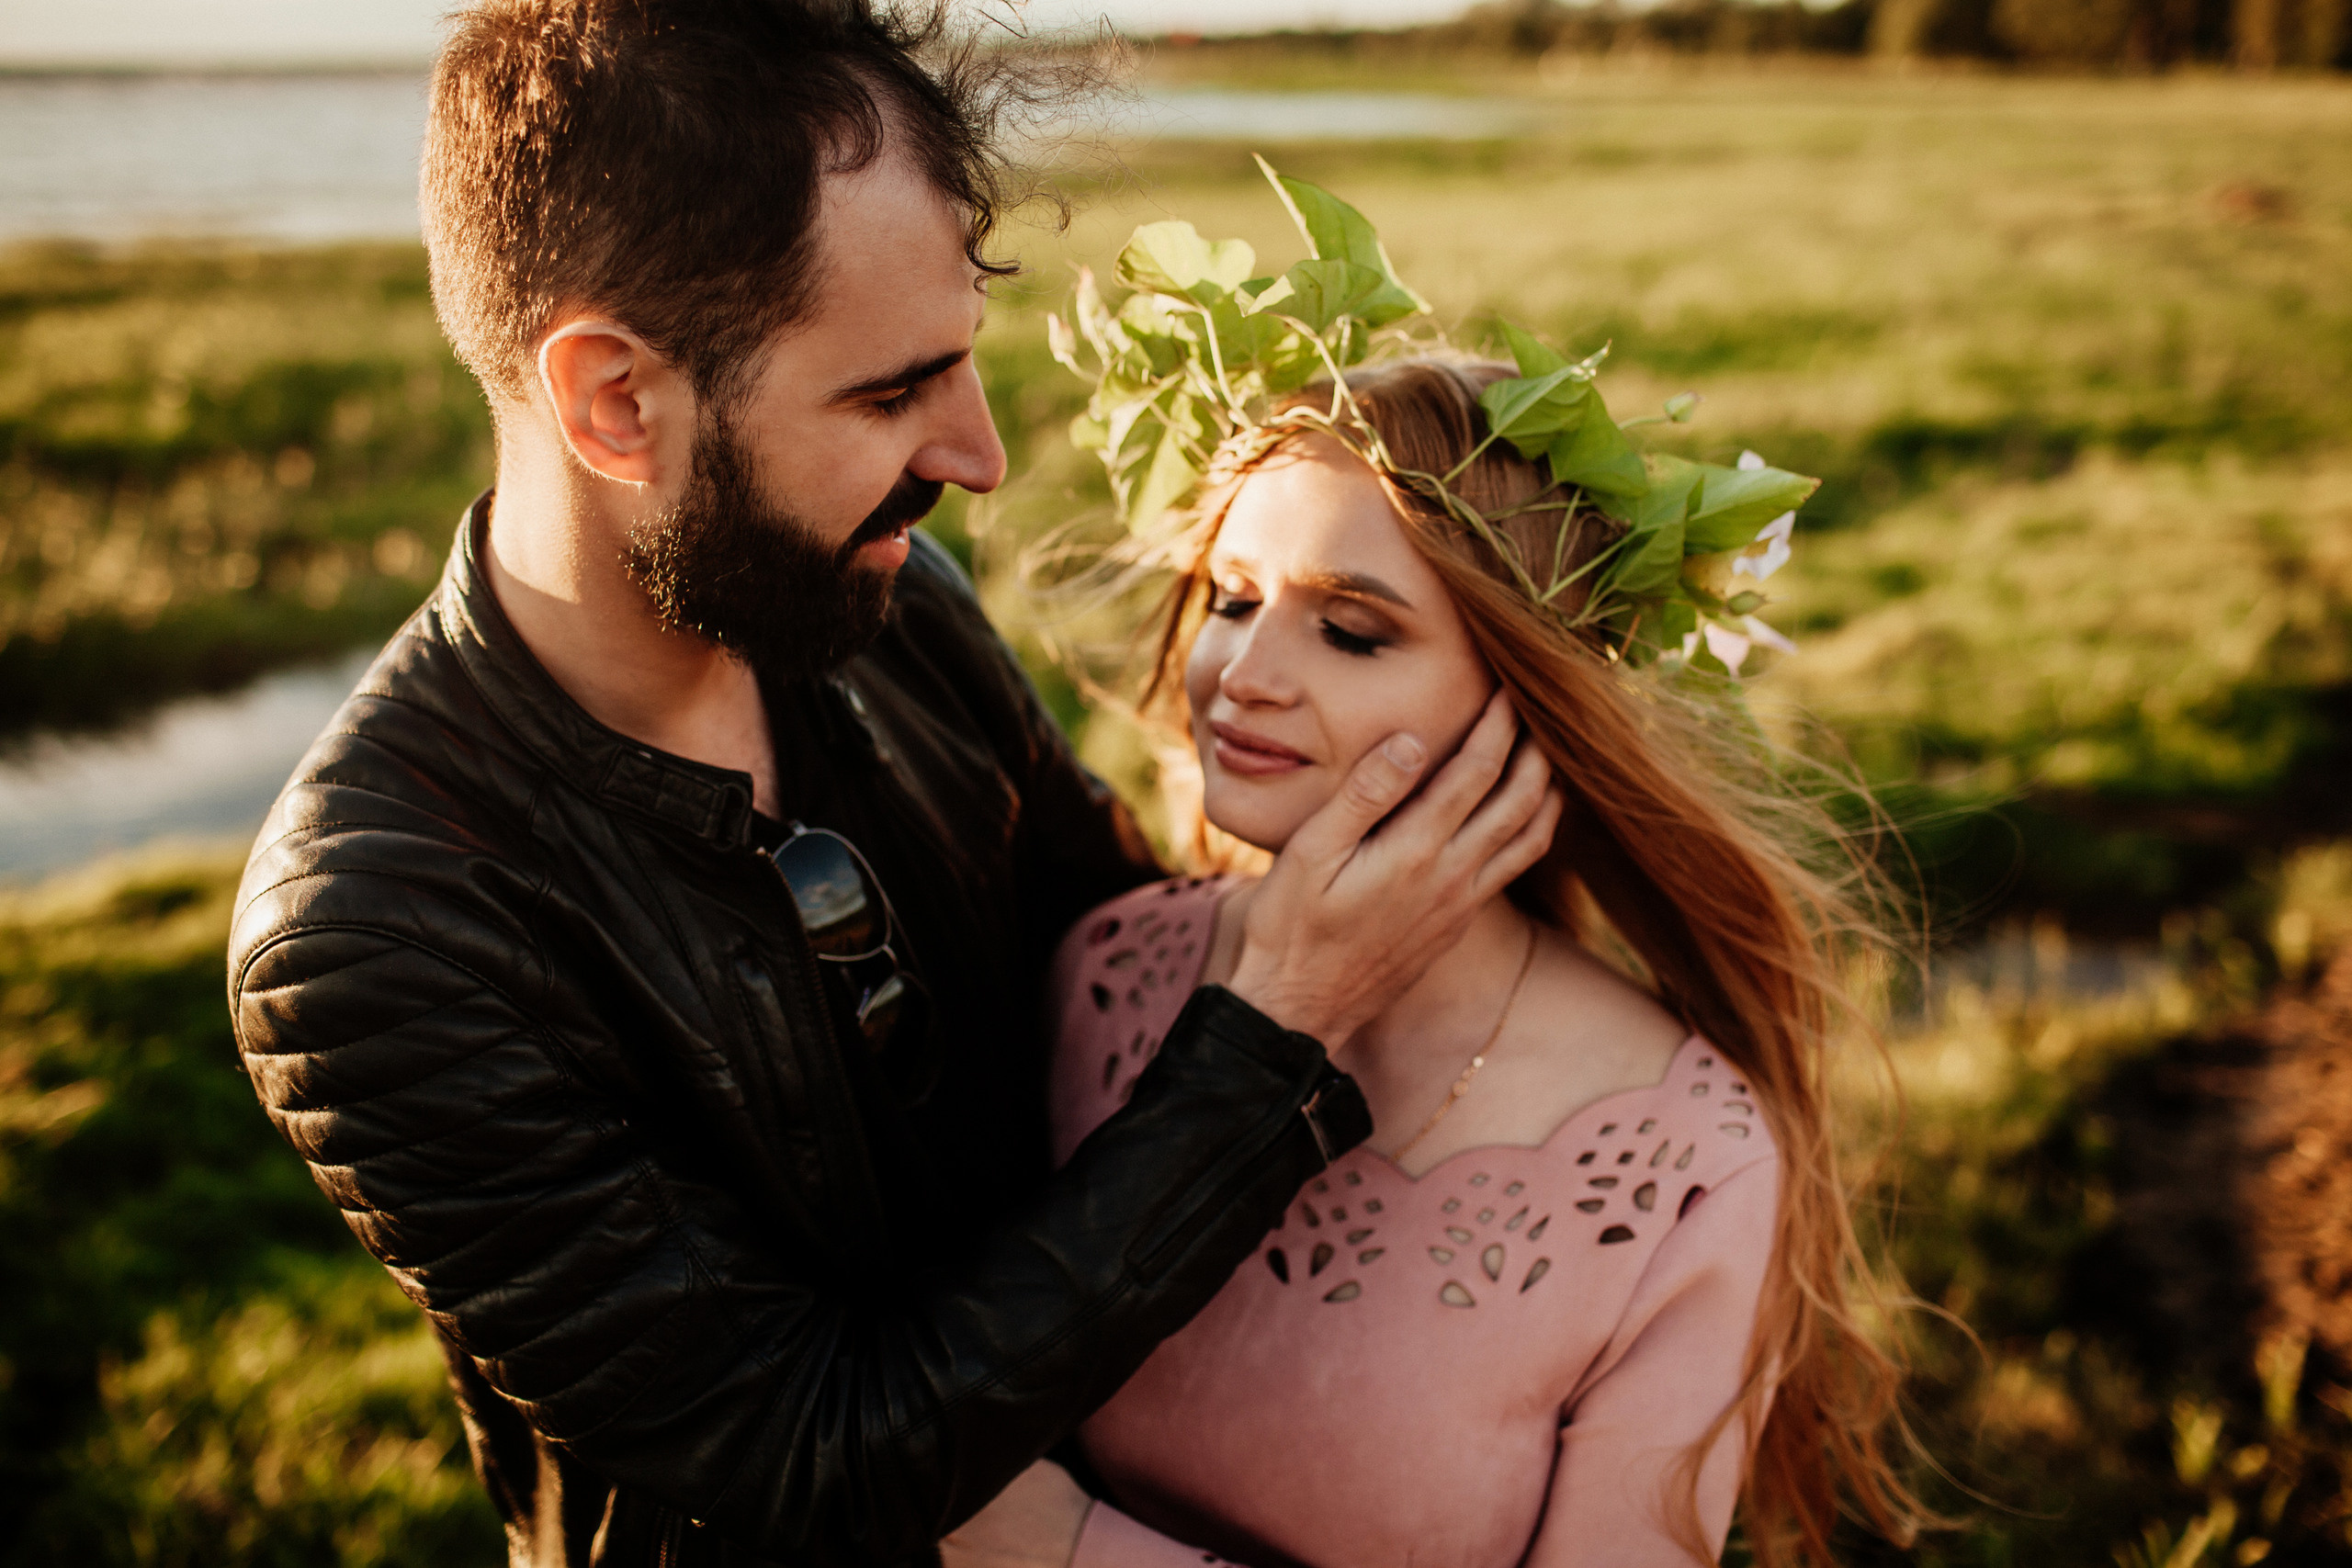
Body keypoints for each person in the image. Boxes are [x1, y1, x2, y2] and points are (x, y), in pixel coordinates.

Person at [223, 6, 1562, 1566]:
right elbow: (812, 1461)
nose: (981, 458)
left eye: (965, 366)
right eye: (888, 394)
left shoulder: (892, 610)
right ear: (614, 404)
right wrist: (1276, 1039)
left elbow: (1113, 945)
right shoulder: (376, 933)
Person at [1012, 344, 1928, 1562]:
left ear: (1524, 693)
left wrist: (1059, 1549)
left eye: (1350, 631)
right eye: (1233, 598)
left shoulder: (1684, 1158)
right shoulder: (1102, 974)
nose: (1244, 675)